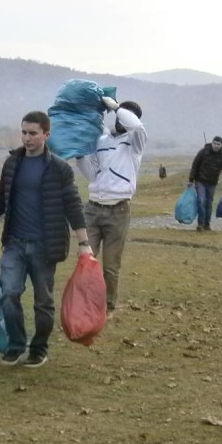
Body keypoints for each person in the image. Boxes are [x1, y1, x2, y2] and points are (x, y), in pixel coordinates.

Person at [0, 110, 93, 368]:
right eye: (24, 132)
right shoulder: (12, 163)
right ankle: (15, 345)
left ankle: (39, 349)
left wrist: (84, 243)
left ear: (47, 134)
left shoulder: (59, 168)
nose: (27, 138)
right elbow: (0, 201)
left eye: (33, 133)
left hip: (45, 247)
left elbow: (73, 205)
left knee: (42, 302)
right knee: (9, 293)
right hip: (14, 242)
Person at [74, 101, 146, 316]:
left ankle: (108, 307)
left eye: (127, 115)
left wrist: (116, 107)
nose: (123, 119)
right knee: (87, 259)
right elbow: (93, 174)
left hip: (119, 210)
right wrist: (80, 158)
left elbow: (136, 126)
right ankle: (84, 304)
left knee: (111, 265)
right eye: (121, 114)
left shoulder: (135, 142)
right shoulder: (102, 140)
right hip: (94, 207)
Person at [188, 135, 222, 232]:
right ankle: (200, 224)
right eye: (215, 143)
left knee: (209, 203)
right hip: (200, 181)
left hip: (212, 183)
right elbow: (195, 165)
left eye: (218, 144)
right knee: (201, 201)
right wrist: (191, 179)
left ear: (221, 145)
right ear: (212, 143)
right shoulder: (203, 152)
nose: (216, 146)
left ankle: (207, 224)